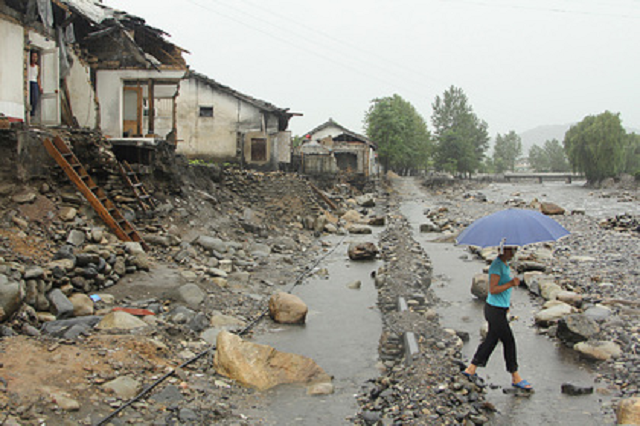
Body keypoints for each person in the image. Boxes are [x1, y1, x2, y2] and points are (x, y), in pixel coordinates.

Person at [462, 246, 533, 390]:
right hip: (494, 310)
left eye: (515, 249)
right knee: (509, 341)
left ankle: (471, 368)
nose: (513, 253)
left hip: (499, 309)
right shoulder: (497, 265)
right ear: (503, 249)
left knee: (491, 340)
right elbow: (493, 289)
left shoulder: (505, 264)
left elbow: (502, 291)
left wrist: (507, 304)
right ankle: (515, 376)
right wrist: (511, 284)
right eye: (511, 249)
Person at [29, 50, 42, 118]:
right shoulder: (28, 66)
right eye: (33, 56)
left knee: (35, 99)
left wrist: (40, 86)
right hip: (29, 82)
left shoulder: (37, 67)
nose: (34, 58)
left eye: (36, 57)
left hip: (35, 83)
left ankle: (32, 114)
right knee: (30, 99)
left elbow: (38, 77)